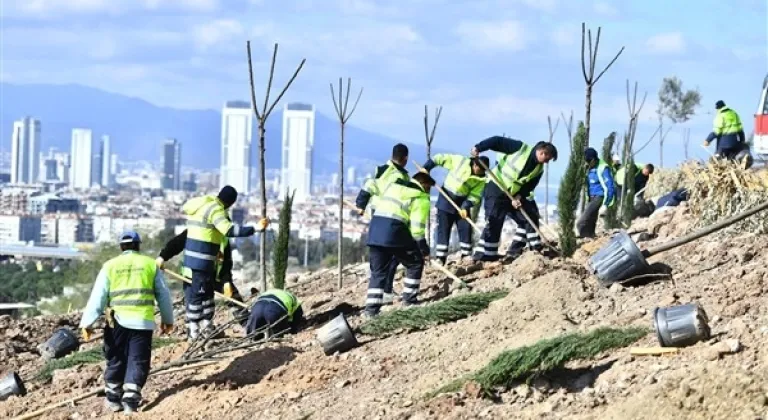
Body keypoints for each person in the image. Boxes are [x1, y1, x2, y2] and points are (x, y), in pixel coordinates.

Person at [79, 231, 174, 414]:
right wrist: (167, 319)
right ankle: (130, 401)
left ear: (121, 247)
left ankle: (113, 398)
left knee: (115, 358)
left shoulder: (110, 266)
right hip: (142, 322)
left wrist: (87, 323)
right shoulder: (149, 265)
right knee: (138, 360)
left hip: (116, 322)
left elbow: (98, 297)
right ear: (138, 246)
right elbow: (163, 295)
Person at [181, 186, 269, 341]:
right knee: (197, 298)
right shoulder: (216, 211)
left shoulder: (203, 208)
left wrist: (226, 280)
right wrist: (256, 228)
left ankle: (208, 329)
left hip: (205, 266)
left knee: (207, 297)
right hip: (202, 262)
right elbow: (229, 231)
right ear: (230, 203)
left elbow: (226, 258)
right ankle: (194, 332)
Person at [469, 137, 558, 262]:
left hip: (511, 194)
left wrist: (519, 196)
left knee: (526, 216)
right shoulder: (519, 148)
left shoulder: (539, 169)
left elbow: (529, 186)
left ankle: (520, 250)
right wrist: (479, 147)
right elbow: (497, 141)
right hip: (496, 188)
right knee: (494, 220)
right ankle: (486, 257)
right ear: (542, 152)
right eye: (547, 159)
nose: (547, 162)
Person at [363, 172, 435, 318]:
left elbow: (371, 185)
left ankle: (371, 311)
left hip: (375, 231)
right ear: (424, 185)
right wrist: (424, 249)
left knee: (378, 272)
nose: (428, 192)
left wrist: (360, 201)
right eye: (428, 188)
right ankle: (409, 301)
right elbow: (417, 231)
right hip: (394, 232)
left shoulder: (393, 186)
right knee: (415, 263)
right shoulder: (420, 198)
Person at [355, 144, 410, 305]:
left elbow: (369, 185)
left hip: (379, 218)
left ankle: (381, 293)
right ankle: (385, 292)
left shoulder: (381, 170)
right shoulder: (399, 176)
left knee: (382, 256)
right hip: (390, 219)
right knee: (392, 255)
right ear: (405, 158)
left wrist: (361, 204)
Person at [421, 154, 488, 264]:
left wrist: (466, 206)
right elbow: (440, 158)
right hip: (446, 197)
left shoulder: (482, 179)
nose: (481, 173)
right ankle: (441, 258)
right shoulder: (460, 161)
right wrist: (427, 167)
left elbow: (475, 195)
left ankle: (466, 255)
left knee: (465, 227)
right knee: (444, 228)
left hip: (462, 202)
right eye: (480, 170)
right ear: (475, 165)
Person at [155, 230, 244, 304]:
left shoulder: (223, 238)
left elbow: (226, 264)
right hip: (192, 278)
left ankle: (246, 322)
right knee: (195, 307)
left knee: (233, 298)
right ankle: (194, 324)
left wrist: (227, 282)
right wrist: (162, 257)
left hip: (212, 278)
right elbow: (177, 243)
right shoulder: (196, 231)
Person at [577, 148, 616, 239]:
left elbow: (610, 186)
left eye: (588, 161)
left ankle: (583, 237)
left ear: (593, 159)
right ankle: (590, 237)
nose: (586, 163)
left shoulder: (603, 168)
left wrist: (606, 204)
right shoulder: (588, 167)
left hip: (600, 196)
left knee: (582, 221)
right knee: (591, 220)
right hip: (591, 196)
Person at [240, 289, 304, 338]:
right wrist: (293, 329)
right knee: (279, 334)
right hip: (275, 308)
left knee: (253, 335)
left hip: (258, 306)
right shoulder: (296, 302)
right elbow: (295, 320)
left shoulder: (269, 292)